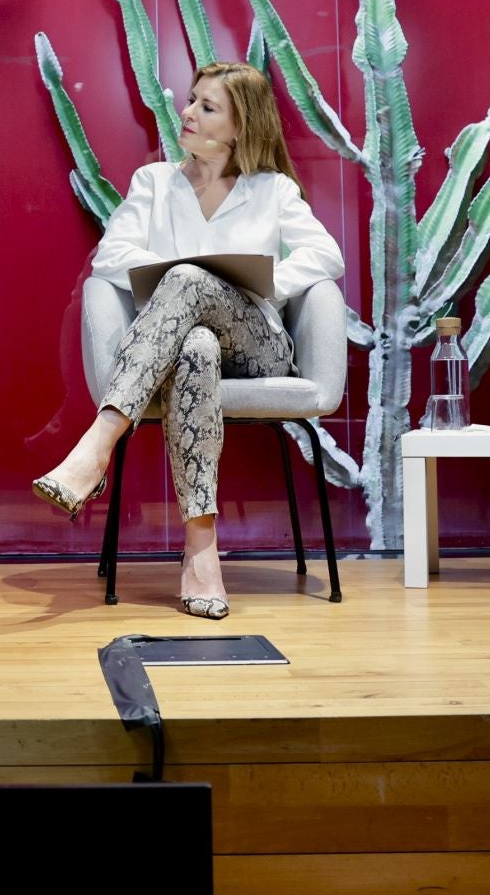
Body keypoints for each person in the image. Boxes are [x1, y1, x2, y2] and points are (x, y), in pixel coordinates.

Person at [33, 61, 345, 619]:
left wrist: (259, 284)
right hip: (180, 349)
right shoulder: (153, 182)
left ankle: (97, 445)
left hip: (257, 347)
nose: (188, 113)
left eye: (207, 106)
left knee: (188, 282)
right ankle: (202, 551)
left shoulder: (272, 190)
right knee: (194, 343)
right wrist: (185, 278)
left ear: (239, 126)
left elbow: (326, 256)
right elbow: (111, 257)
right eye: (192, 100)